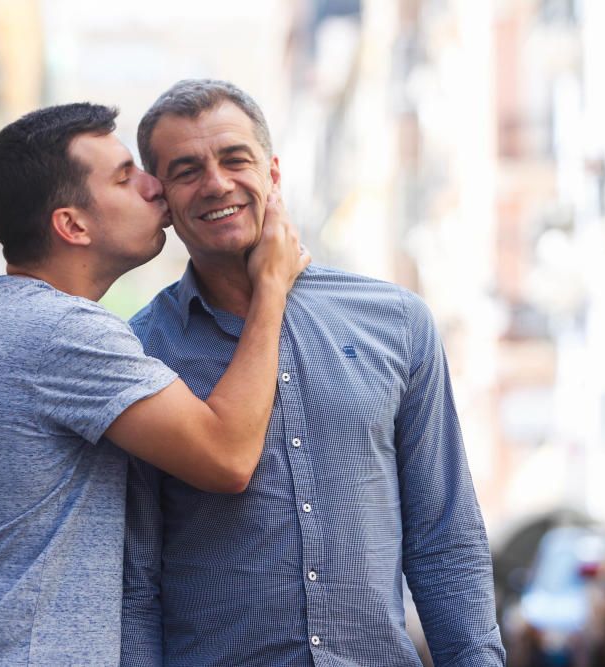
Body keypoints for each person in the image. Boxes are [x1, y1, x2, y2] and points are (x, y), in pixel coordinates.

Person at [0, 102, 309, 666]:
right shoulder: (58, 332)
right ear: (72, 225)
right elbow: (226, 455)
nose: (155, 187)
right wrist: (271, 287)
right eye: (126, 177)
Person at [121, 79, 505, 666]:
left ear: (272, 172)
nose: (217, 183)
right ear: (163, 200)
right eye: (187, 169)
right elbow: (136, 577)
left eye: (235, 159)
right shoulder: (140, 351)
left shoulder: (396, 323)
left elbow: (445, 540)